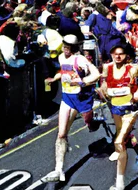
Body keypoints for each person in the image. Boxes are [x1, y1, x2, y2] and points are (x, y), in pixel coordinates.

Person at [43, 34, 100, 182]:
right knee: (61, 134)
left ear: (74, 48)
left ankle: (94, 122)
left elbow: (96, 74)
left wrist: (82, 81)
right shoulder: (61, 57)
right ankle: (58, 169)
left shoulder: (79, 59)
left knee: (89, 123)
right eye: (64, 47)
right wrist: (53, 79)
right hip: (67, 98)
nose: (66, 50)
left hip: (81, 99)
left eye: (68, 48)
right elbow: (63, 72)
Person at [97, 44, 138, 190]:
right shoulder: (107, 68)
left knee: (119, 142)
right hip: (115, 106)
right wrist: (103, 91)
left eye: (121, 54)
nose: (118, 56)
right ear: (111, 55)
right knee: (122, 133)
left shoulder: (132, 68)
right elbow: (104, 84)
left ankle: (120, 183)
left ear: (126, 56)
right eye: (115, 54)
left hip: (130, 108)